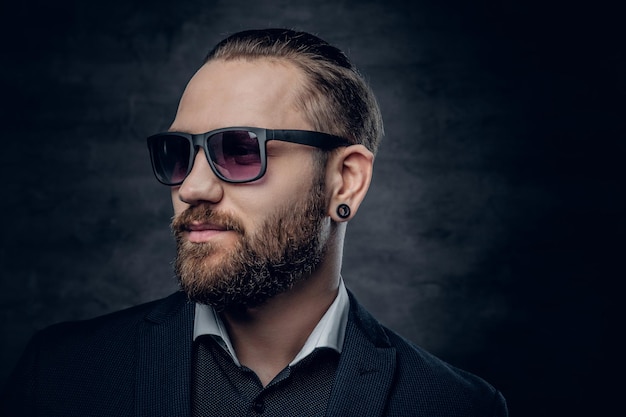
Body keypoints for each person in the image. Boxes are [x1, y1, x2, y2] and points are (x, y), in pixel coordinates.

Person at [1, 28, 508, 416]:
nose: (193, 188)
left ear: (346, 181)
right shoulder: (62, 375)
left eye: (240, 150)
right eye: (179, 154)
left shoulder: (452, 405)